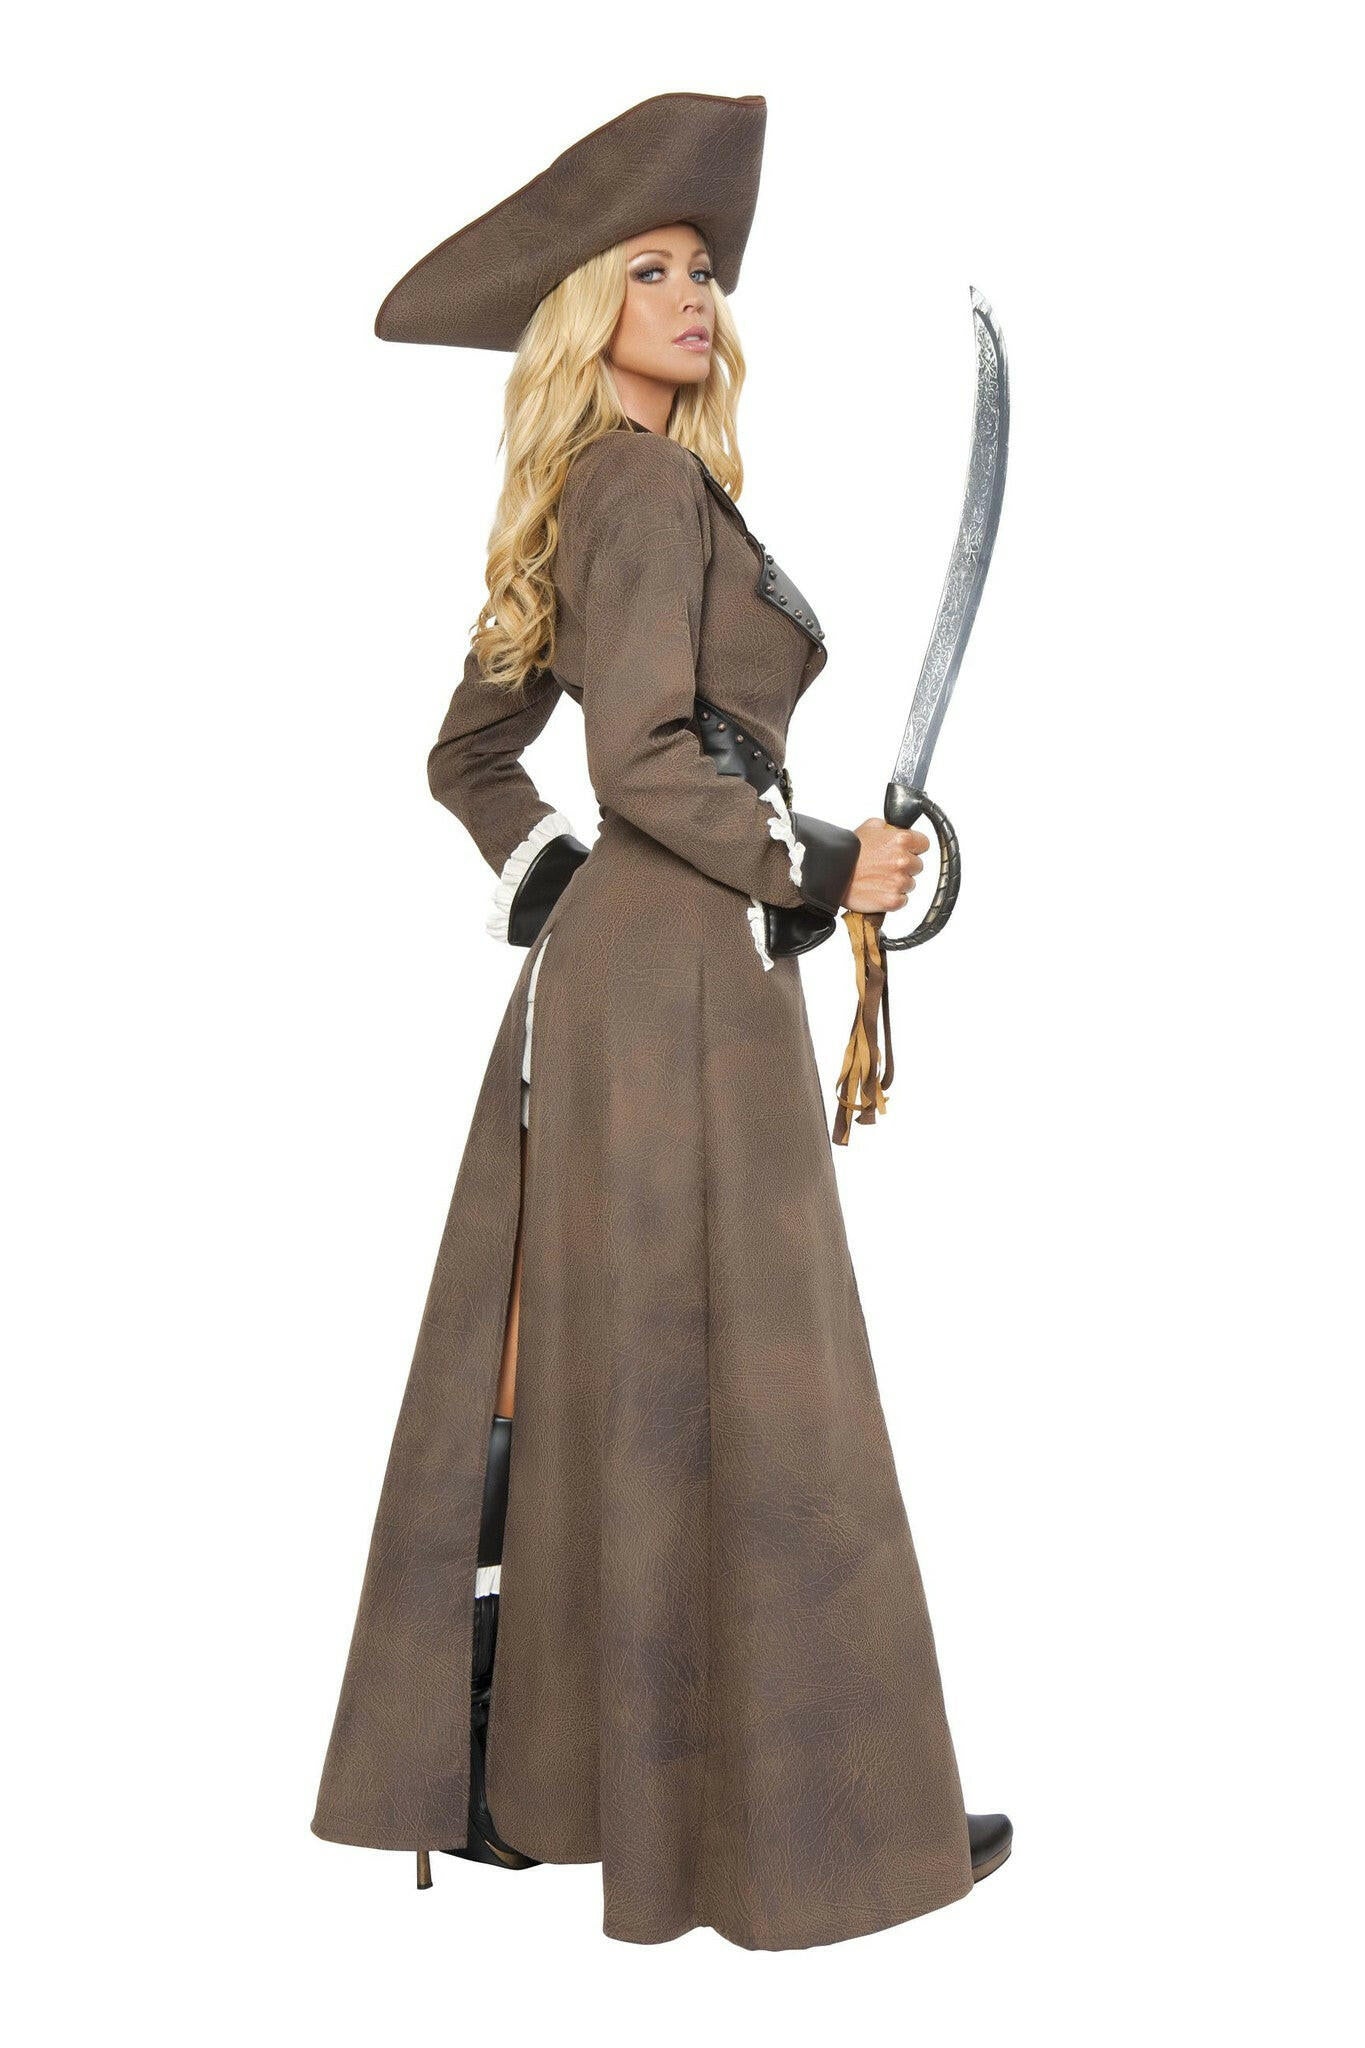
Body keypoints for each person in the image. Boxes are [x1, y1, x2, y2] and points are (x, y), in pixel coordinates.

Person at [311, 88, 1011, 1951]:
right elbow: (633, 765)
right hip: (677, 980)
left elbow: (479, 762)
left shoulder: (600, 491)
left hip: (655, 974)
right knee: (756, 1377)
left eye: (703, 269)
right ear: (583, 309)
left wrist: (606, 887)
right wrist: (828, 860)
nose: (695, 296)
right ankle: (812, 1821)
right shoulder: (632, 486)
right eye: (652, 269)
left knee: (672, 1376)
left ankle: (654, 1792)